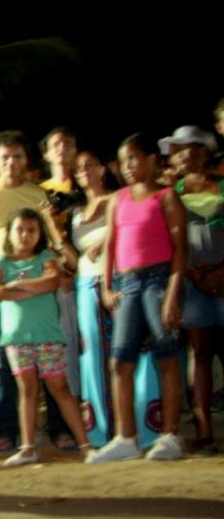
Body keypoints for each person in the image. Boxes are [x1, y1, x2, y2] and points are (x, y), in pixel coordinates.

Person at [0, 131, 67, 453]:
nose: (11, 163)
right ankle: (6, 430)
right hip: (1, 292)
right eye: (5, 157)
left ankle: (59, 429)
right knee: (5, 365)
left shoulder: (38, 194)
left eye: (18, 156)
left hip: (39, 292)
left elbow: (51, 241)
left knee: (49, 361)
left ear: (27, 161)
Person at [90, 134, 188, 463]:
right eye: (123, 160)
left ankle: (170, 435)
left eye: (134, 158)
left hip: (159, 279)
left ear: (150, 160)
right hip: (126, 283)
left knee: (166, 355)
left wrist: (173, 294)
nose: (128, 166)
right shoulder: (118, 199)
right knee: (120, 360)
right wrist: (106, 285)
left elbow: (180, 251)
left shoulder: (166, 197)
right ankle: (125, 438)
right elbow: (111, 245)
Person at [0, 210, 90, 466]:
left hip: (47, 335)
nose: (25, 235)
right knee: (27, 390)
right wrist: (29, 287)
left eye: (31, 230)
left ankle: (86, 446)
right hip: (16, 337)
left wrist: (15, 287)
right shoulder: (0, 262)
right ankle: (27, 447)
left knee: (60, 388)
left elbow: (52, 282)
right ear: (10, 233)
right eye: (20, 229)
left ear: (39, 234)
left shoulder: (45, 257)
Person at [161, 125, 224, 455]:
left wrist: (219, 272)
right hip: (191, 282)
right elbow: (166, 243)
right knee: (198, 353)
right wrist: (195, 274)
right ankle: (204, 432)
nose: (180, 156)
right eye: (176, 150)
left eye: (187, 149)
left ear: (204, 151)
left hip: (221, 278)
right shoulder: (171, 194)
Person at [38, 128, 84, 440]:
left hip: (92, 275)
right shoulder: (39, 192)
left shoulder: (86, 183)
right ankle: (62, 425)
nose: (63, 148)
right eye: (56, 144)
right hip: (60, 282)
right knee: (61, 353)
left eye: (68, 142)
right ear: (45, 154)